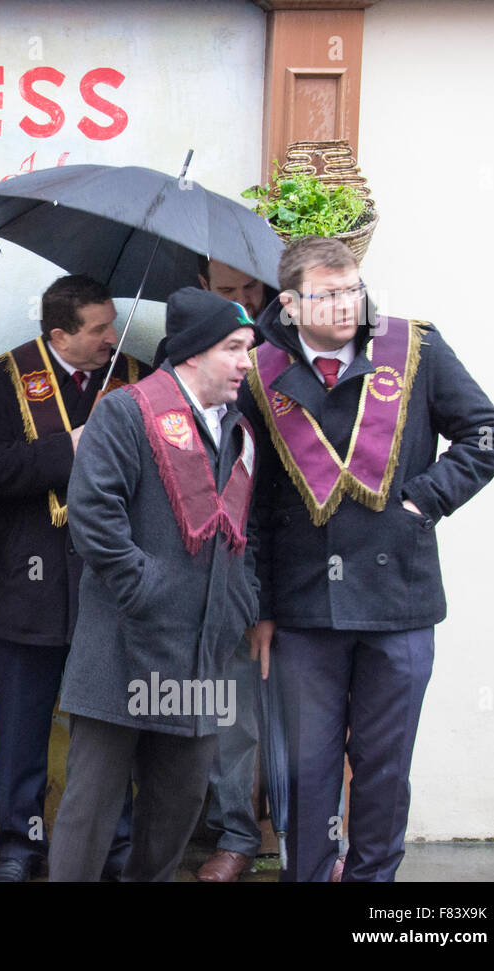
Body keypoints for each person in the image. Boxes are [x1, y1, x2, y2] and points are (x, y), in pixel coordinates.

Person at [241, 236, 494, 882]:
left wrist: (424, 500)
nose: (346, 304)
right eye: (328, 293)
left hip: (399, 600)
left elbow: (489, 433)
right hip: (305, 607)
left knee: (385, 767)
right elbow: (251, 501)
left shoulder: (414, 347)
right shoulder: (259, 371)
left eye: (353, 289)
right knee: (307, 766)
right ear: (289, 301)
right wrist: (260, 607)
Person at [49, 287, 259, 882]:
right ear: (193, 353)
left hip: (202, 656)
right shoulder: (126, 412)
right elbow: (93, 518)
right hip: (123, 646)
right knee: (91, 811)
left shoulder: (241, 433)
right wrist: (150, 590)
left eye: (249, 349)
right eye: (235, 348)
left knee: (177, 807)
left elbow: (248, 535)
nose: (247, 361)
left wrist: (239, 604)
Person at [0, 274, 148, 881]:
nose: (111, 338)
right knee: (21, 725)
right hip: (27, 587)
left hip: (110, 590)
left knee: (109, 729)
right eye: (99, 330)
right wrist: (70, 445)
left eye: (113, 325)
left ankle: (115, 844)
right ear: (59, 334)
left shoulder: (135, 377)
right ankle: (19, 844)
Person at [195, 258, 267, 882]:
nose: (244, 302)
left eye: (253, 290)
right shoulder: (167, 379)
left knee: (243, 716)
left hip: (253, 574)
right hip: (185, 579)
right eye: (226, 293)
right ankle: (212, 833)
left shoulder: (273, 369)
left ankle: (247, 836)